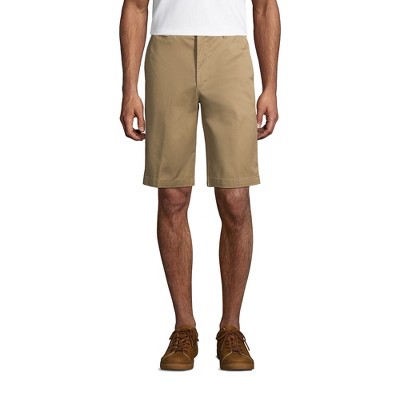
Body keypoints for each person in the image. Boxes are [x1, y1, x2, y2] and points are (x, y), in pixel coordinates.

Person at [119, 0, 280, 371]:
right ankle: (184, 328)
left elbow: (265, 7)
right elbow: (136, 7)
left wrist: (270, 85)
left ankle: (231, 329)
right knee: (172, 194)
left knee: (235, 196)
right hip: (167, 50)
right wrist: (129, 88)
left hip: (230, 51)